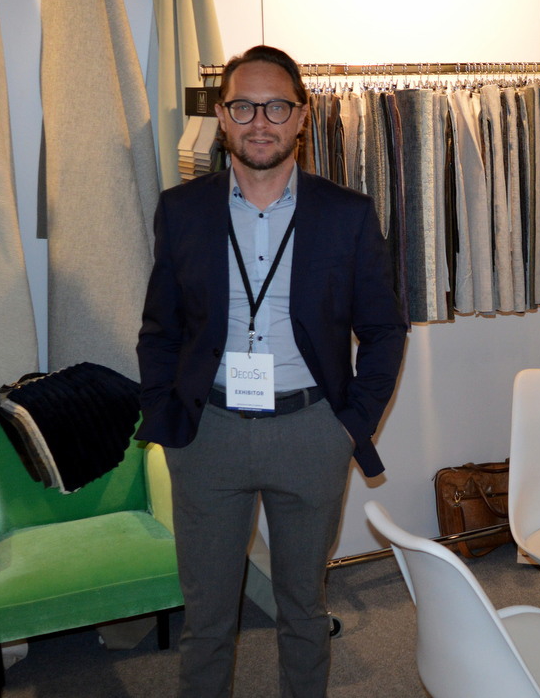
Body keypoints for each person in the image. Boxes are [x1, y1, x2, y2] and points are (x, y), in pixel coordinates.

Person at [136, 44, 407, 697]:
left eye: (277, 107)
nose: (260, 121)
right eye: (244, 107)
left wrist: (351, 425)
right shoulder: (182, 210)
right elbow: (159, 329)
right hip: (209, 433)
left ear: (303, 116)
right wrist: (168, 424)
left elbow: (384, 329)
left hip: (310, 431)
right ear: (222, 116)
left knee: (304, 610)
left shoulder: (346, 214)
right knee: (206, 620)